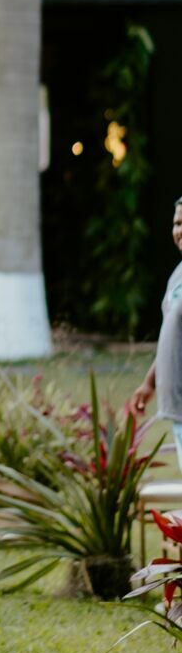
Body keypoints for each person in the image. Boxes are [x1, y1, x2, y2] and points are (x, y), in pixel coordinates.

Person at [126, 195, 182, 469]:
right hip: (177, 406)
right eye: (177, 223)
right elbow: (170, 339)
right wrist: (149, 383)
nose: (180, 230)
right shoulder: (177, 276)